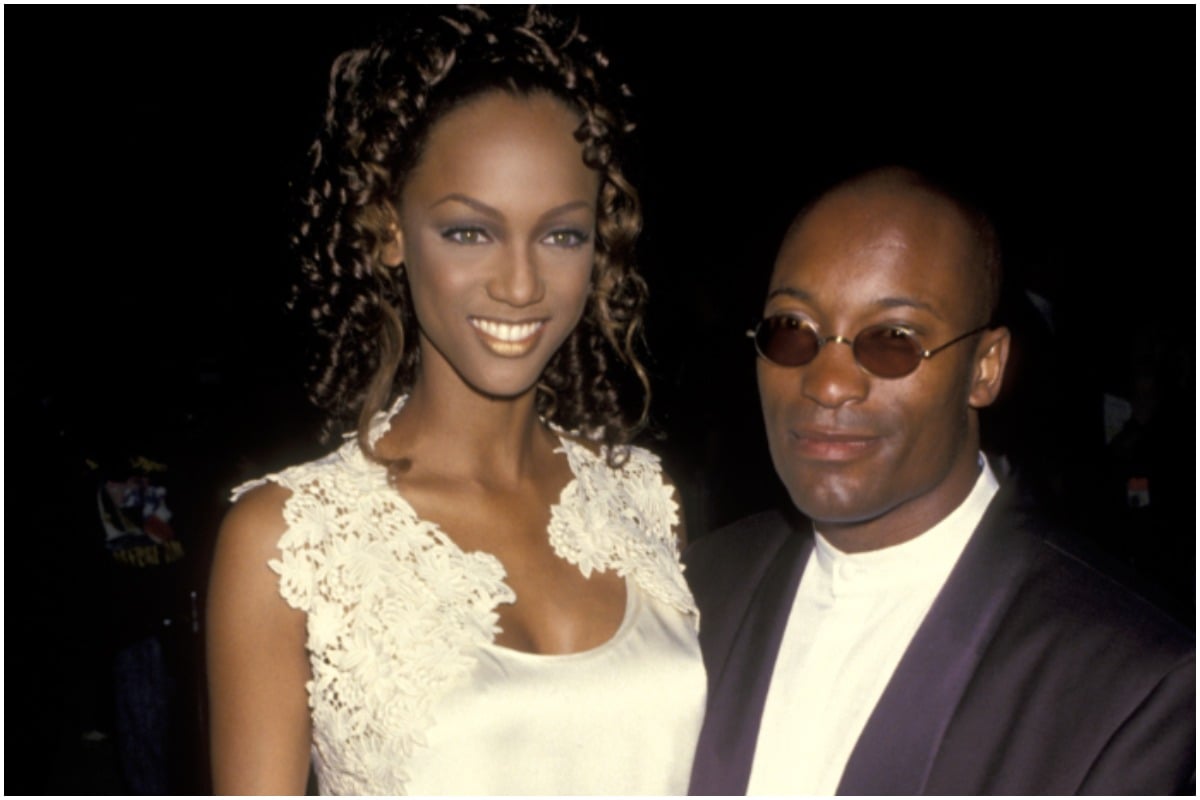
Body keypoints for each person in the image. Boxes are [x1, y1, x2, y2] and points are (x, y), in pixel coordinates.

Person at [206, 8, 704, 795]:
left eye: (561, 235)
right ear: (388, 230)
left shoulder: (640, 499)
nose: (519, 284)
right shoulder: (290, 541)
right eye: (470, 232)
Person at [685, 166, 1195, 795]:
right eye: (793, 331)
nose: (828, 382)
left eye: (893, 340)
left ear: (986, 368)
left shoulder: (1133, 683)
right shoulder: (692, 588)